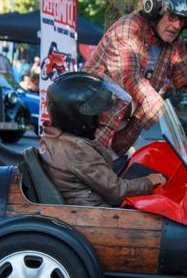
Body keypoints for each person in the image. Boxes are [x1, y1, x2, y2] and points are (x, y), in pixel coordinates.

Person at [83, 0, 187, 156]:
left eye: (183, 21)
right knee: (94, 181)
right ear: (155, 10)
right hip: (90, 126)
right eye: (173, 17)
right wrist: (167, 113)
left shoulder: (173, 43)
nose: (177, 26)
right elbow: (130, 78)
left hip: (122, 135)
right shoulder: (129, 29)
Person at [39, 72, 166, 207]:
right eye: (94, 113)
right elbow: (117, 191)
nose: (100, 117)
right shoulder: (77, 149)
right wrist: (150, 181)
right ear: (77, 117)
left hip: (87, 198)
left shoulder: (53, 136)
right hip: (93, 211)